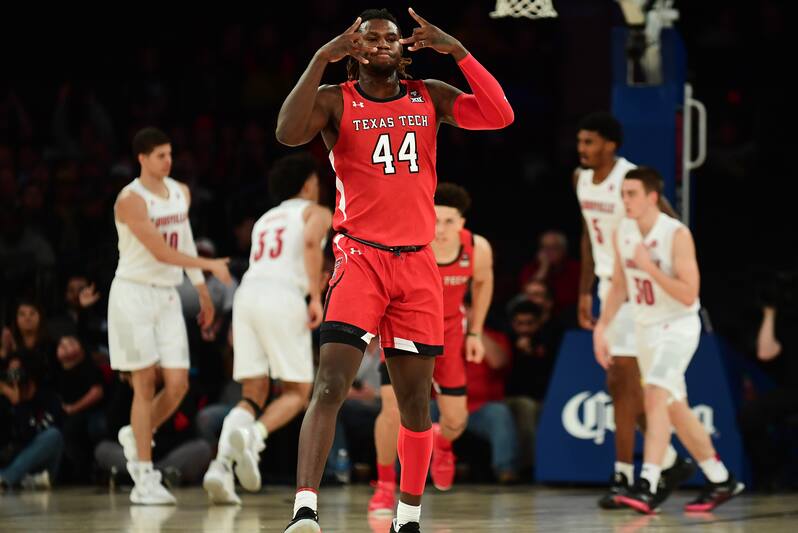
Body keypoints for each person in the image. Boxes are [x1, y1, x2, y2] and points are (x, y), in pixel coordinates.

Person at [275, 7, 513, 532]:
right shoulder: (336, 100)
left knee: (414, 402)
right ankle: (305, 512)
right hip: (361, 259)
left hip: (416, 266)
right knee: (331, 385)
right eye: (370, 39)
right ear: (354, 49)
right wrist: (319, 58)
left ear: (403, 48)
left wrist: (458, 50)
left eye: (390, 38)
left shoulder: (429, 94)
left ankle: (408, 518)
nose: (382, 44)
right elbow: (288, 133)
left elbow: (500, 115)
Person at [594, 166, 744, 513]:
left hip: (677, 326)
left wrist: (650, 268)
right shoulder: (624, 230)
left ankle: (647, 483)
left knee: (655, 393)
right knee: (675, 408)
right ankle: (721, 478)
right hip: (646, 328)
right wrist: (603, 328)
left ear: (651, 197)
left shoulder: (675, 234)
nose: (625, 200)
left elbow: (690, 295)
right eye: (622, 194)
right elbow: (618, 286)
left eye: (631, 194)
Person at [108, 127, 232, 505]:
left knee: (177, 384)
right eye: (160, 155)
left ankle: (137, 435)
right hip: (132, 294)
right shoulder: (130, 200)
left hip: (166, 296)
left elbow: (184, 238)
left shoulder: (181, 191)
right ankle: (144, 476)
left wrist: (198, 287)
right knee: (144, 382)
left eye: (170, 154)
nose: (168, 161)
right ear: (142, 159)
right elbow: (161, 252)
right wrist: (209, 264)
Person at [574, 112, 691, 508]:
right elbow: (589, 236)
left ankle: (626, 475)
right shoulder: (580, 180)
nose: (582, 149)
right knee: (622, 387)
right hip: (609, 287)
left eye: (590, 142)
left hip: (637, 292)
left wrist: (660, 273)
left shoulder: (631, 182)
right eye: (580, 142)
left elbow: (670, 225)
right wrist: (583, 292)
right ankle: (671, 462)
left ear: (610, 145)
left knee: (626, 382)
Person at [203, 152, 332, 505]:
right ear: (308, 184)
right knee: (298, 391)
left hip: (247, 295)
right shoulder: (316, 212)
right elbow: (309, 243)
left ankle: (219, 467)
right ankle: (256, 437)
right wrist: (315, 297)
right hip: (283, 295)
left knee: (253, 392)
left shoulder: (265, 219)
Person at [369, 182, 493, 515]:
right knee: (392, 410)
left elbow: (482, 284)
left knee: (456, 420)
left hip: (450, 334)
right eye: (435, 220)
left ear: (462, 223)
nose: (440, 229)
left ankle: (443, 443)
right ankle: (383, 485)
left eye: (449, 221)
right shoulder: (409, 244)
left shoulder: (477, 249)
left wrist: (477, 333)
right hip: (405, 329)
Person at [0, 352, 63, 489]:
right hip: (12, 459)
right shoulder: (5, 401)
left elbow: (29, 435)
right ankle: (10, 478)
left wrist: (19, 406)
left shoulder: (47, 398)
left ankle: (7, 478)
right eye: (10, 372)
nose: (14, 377)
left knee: (53, 435)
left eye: (17, 371)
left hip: (40, 468)